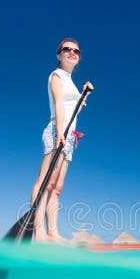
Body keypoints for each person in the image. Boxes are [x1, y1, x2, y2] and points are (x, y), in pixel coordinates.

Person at [30, 38, 93, 242]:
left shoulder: (71, 82)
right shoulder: (56, 75)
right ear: (59, 55)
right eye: (67, 49)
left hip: (70, 137)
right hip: (58, 131)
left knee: (56, 188)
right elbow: (58, 104)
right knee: (44, 182)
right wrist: (59, 132)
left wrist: (85, 94)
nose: (72, 53)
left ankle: (53, 232)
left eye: (76, 51)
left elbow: (75, 109)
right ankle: (37, 230)